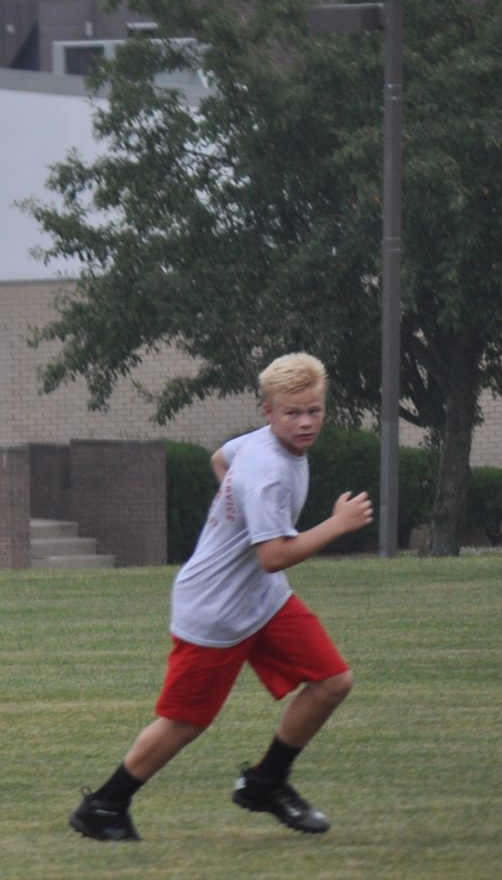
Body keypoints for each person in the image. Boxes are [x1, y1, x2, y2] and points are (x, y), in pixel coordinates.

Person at [70, 352, 371, 844]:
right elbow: (273, 555)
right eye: (292, 412)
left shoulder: (254, 447)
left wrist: (236, 520)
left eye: (314, 410)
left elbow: (220, 458)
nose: (305, 422)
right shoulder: (269, 471)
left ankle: (266, 783)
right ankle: (104, 805)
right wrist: (337, 525)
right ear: (267, 411)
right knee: (186, 721)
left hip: (262, 599)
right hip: (215, 609)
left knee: (332, 681)